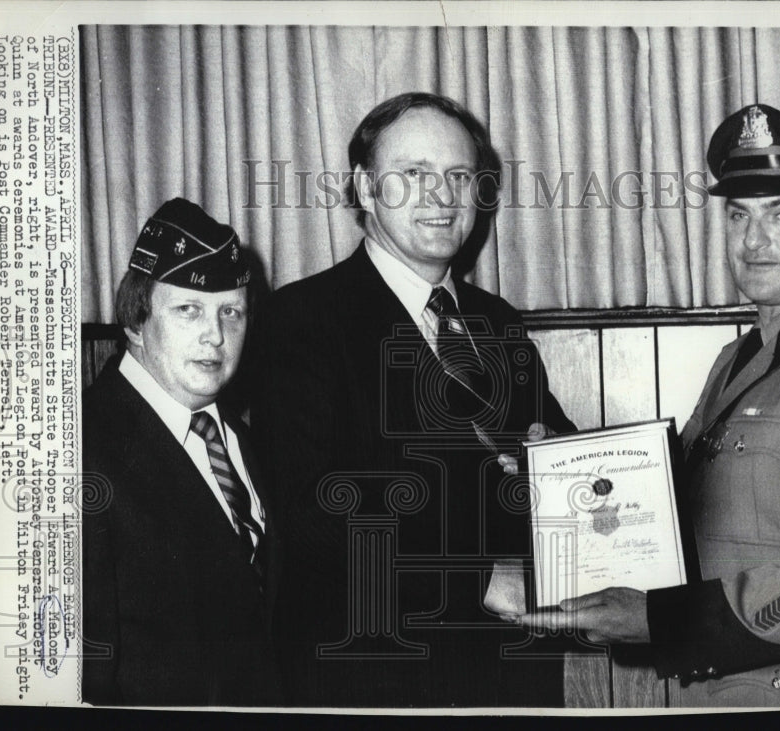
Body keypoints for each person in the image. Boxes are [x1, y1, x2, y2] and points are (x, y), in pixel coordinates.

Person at [518, 104, 780, 707]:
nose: (754, 240)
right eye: (739, 215)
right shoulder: (738, 360)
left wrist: (663, 620)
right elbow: (691, 517)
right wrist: (566, 478)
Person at [250, 92, 575, 707]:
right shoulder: (301, 319)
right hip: (369, 674)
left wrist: (557, 457)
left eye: (459, 176)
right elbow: (316, 509)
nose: (441, 196)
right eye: (414, 175)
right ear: (366, 188)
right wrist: (476, 579)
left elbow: (551, 450)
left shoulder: (497, 322)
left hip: (507, 673)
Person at [82, 198, 282, 706]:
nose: (215, 335)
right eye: (189, 309)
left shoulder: (238, 437)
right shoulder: (81, 447)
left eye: (231, 312)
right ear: (135, 320)